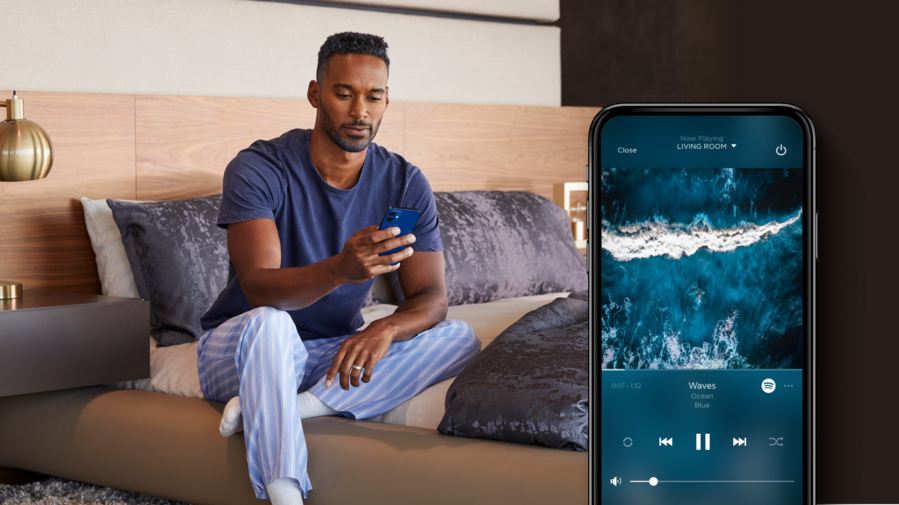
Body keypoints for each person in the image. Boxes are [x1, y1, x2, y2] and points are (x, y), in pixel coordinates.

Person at [197, 32, 480, 505]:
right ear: (315, 94)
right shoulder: (259, 168)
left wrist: (385, 329)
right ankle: (286, 496)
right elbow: (260, 288)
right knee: (271, 324)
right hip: (243, 348)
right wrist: (340, 270)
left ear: (387, 99)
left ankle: (293, 406)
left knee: (460, 337)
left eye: (373, 96)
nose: (360, 112)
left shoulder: (405, 181)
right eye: (344, 94)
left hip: (331, 351)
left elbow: (431, 297)